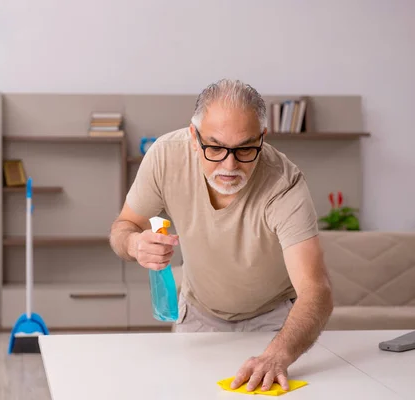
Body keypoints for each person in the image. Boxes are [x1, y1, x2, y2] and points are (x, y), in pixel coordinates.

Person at [109, 78, 334, 393]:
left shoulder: (285, 185)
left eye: (245, 149)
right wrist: (134, 244)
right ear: (193, 135)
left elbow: (316, 290)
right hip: (198, 313)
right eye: (214, 147)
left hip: (273, 322)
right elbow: (124, 226)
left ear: (262, 137)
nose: (229, 165)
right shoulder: (165, 157)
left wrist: (277, 355)